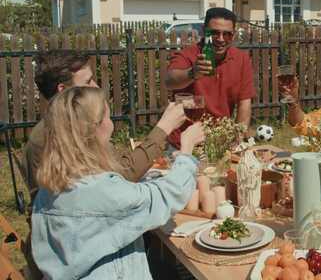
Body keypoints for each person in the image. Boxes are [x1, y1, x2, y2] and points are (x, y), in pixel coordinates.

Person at [31, 87, 205, 279]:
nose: (112, 124)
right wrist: (187, 149)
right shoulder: (99, 191)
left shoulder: (50, 188)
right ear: (95, 128)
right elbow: (166, 195)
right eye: (108, 117)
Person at [22, 50, 186, 197]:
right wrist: (163, 129)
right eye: (88, 82)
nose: (96, 86)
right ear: (63, 89)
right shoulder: (59, 134)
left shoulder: (68, 124)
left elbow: (118, 167)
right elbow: (122, 176)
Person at [166, 7, 255, 147]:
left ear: (234, 34)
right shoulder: (188, 55)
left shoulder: (241, 59)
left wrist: (237, 140)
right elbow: (169, 81)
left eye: (227, 34)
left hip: (220, 144)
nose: (221, 39)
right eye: (215, 33)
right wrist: (192, 73)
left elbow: (245, 103)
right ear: (204, 31)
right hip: (183, 145)